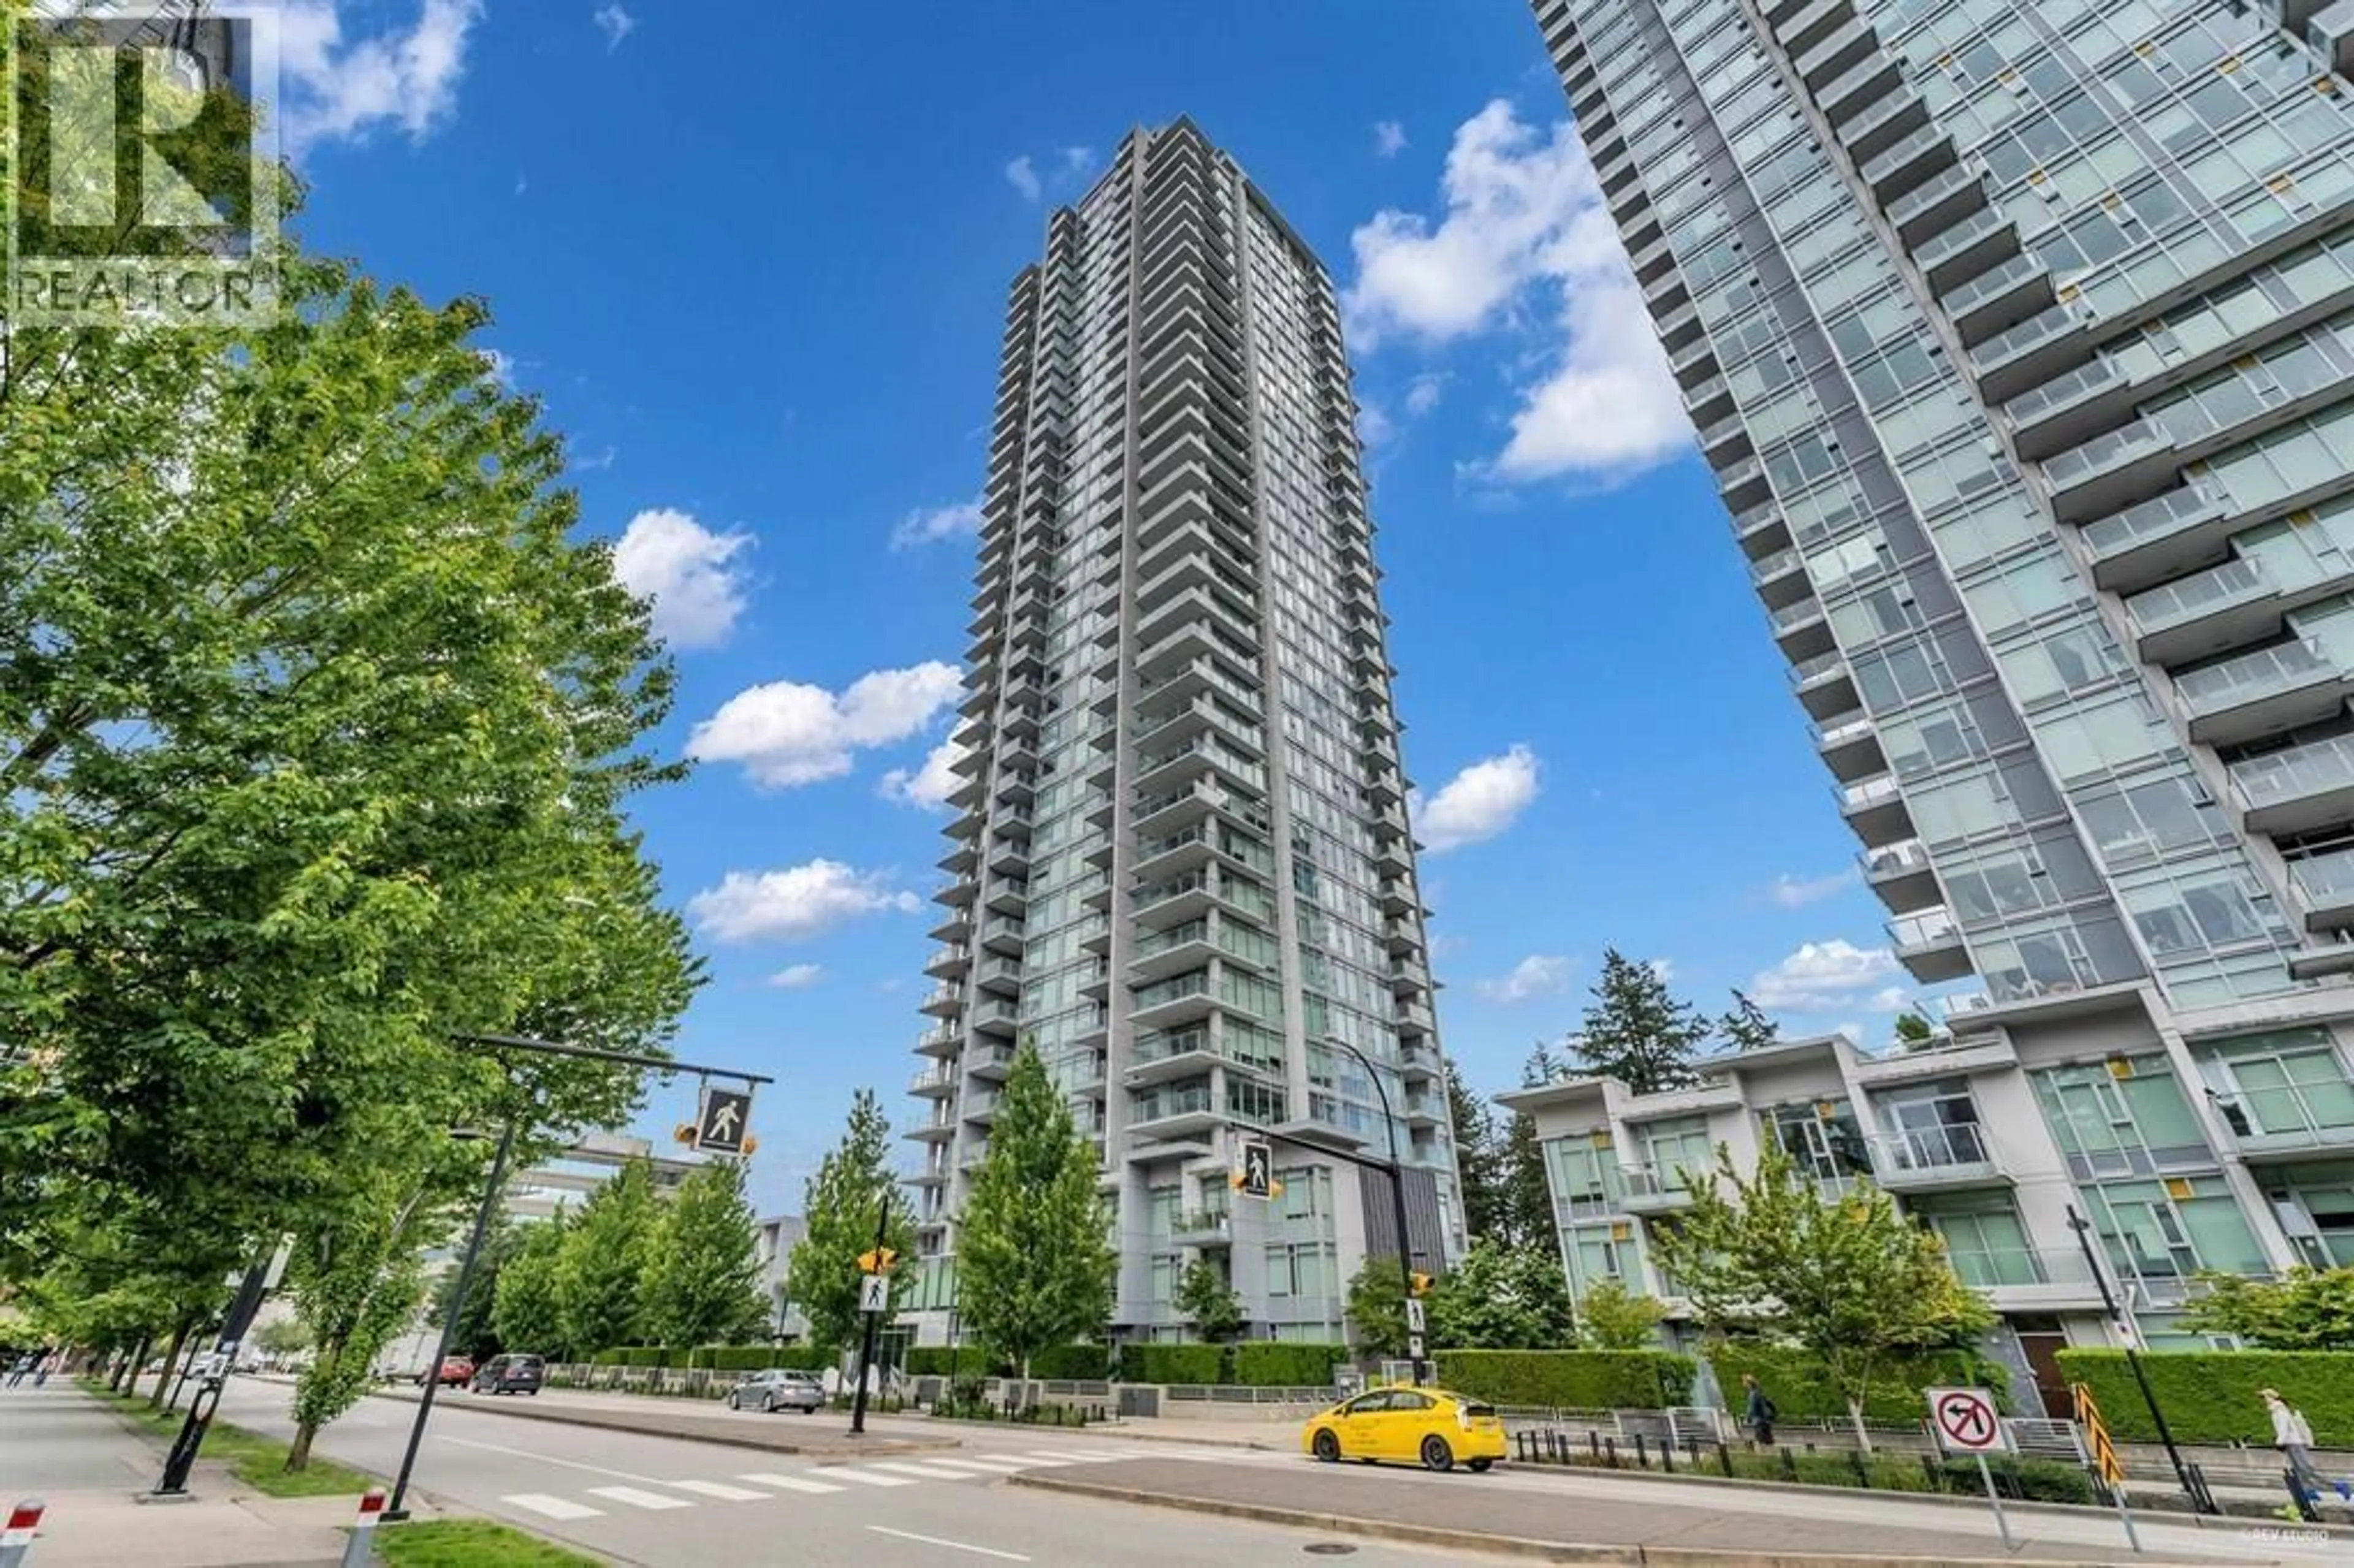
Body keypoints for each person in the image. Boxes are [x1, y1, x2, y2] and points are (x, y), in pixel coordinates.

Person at [2262, 1388, 2349, 1505]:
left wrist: (2279, 1442)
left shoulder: (2280, 1411)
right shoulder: (2278, 1410)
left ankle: (2338, 1485)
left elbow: (2284, 1429)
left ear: (2273, 1398)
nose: (2264, 1400)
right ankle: (2310, 1491)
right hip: (2292, 1444)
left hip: (2295, 1445)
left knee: (2307, 1469)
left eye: (2266, 1397)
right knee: (2300, 1471)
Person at [1742, 1372, 1776, 1447]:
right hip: (1766, 1421)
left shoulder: (1753, 1394)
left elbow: (1751, 1408)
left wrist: (1747, 1419)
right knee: (1769, 1443)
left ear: (1749, 1384)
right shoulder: (1759, 1392)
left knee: (1762, 1443)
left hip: (1759, 1422)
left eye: (1744, 1382)